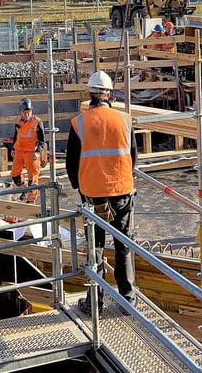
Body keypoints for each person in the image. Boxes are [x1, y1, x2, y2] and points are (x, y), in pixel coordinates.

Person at [66, 70, 138, 316]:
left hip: (93, 195)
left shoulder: (79, 123)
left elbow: (71, 164)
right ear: (108, 94)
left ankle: (94, 302)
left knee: (95, 246)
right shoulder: (125, 120)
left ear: (90, 94)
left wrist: (81, 187)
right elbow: (133, 157)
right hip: (122, 192)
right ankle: (127, 299)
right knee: (123, 244)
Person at [11, 98, 47, 203]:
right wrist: (13, 147)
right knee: (15, 175)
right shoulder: (18, 120)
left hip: (31, 153)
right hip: (19, 151)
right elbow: (16, 135)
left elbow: (42, 141)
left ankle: (31, 200)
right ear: (20, 112)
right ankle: (24, 188)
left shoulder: (37, 122)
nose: (27, 115)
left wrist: (37, 152)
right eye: (24, 112)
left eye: (29, 112)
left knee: (33, 179)